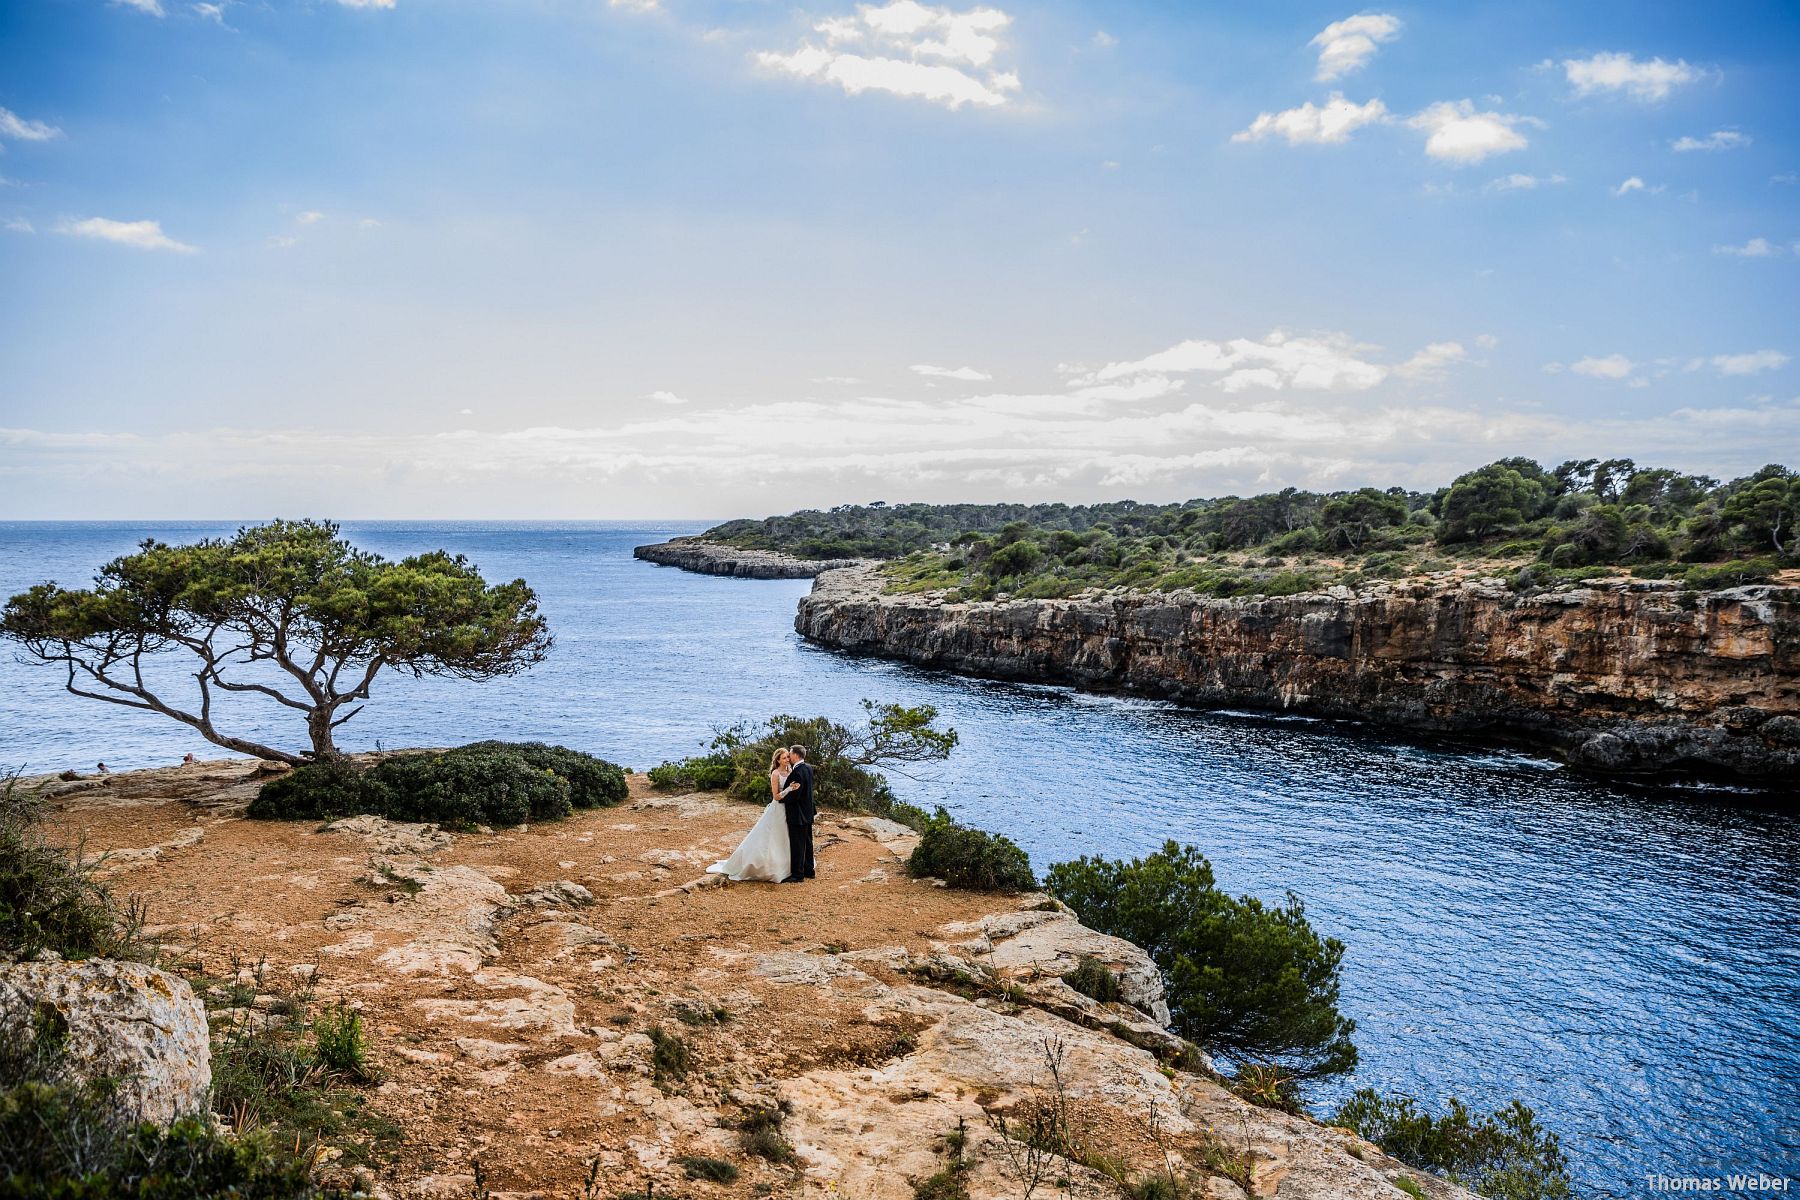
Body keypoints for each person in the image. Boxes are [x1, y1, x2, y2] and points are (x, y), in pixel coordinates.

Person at [704, 748, 794, 883]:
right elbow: (775, 796)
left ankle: (787, 864)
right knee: (772, 836)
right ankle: (765, 866)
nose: (787, 760)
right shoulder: (775, 774)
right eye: (784, 758)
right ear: (778, 760)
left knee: (785, 837)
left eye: (788, 757)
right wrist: (789, 789)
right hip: (778, 808)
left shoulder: (790, 771)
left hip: (788, 808)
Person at [778, 745, 815, 884]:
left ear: (796, 755)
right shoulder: (808, 768)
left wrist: (781, 799)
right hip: (807, 811)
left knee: (797, 844)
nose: (789, 756)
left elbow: (795, 796)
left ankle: (797, 874)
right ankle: (809, 870)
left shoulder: (797, 772)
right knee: (807, 842)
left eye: (791, 754)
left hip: (798, 813)